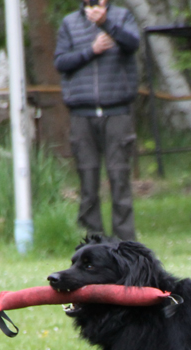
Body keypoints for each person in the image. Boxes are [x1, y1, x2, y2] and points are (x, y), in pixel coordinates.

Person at [54, 0, 140, 242]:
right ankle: (93, 243)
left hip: (117, 110)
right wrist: (91, 50)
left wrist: (106, 24)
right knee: (88, 180)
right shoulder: (69, 23)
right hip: (82, 113)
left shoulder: (123, 17)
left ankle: (125, 243)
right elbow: (60, 62)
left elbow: (133, 44)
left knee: (119, 179)